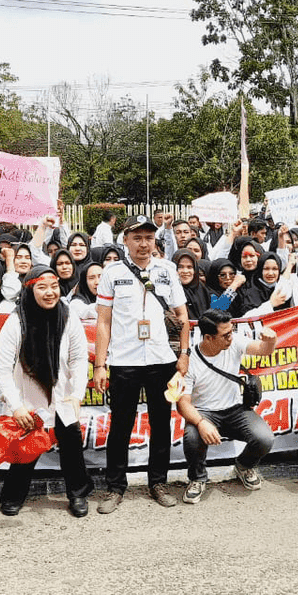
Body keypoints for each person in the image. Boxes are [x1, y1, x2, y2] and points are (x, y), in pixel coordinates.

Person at [93, 216, 190, 513]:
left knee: (161, 424)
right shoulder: (112, 273)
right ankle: (115, 487)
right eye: (137, 238)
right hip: (124, 361)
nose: (143, 244)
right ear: (125, 240)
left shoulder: (167, 270)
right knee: (121, 426)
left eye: (149, 237)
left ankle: (158, 483)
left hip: (162, 360)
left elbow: (182, 315)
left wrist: (184, 354)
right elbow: (103, 322)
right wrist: (100, 364)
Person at [0, 267, 94, 517]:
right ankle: (13, 496)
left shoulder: (68, 317)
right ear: (30, 289)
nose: (50, 293)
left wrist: (77, 394)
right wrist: (16, 405)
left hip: (63, 396)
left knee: (71, 445)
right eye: (42, 287)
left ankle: (78, 494)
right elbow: (2, 367)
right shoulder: (17, 320)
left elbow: (80, 358)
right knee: (27, 448)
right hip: (28, 397)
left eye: (54, 286)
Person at [176, 310, 278, 504]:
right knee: (192, 437)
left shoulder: (233, 342)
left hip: (235, 410)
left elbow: (264, 349)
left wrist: (271, 340)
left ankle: (244, 465)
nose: (230, 337)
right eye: (225, 335)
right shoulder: (190, 362)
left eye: (231, 332)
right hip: (205, 413)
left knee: (264, 438)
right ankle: (197, 478)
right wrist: (201, 422)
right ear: (208, 337)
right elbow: (183, 403)